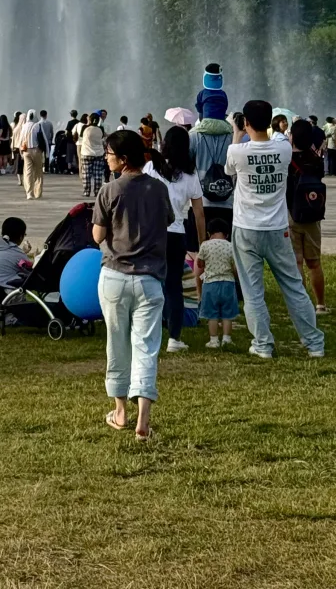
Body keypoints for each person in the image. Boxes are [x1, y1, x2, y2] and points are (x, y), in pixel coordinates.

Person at [93, 130, 174, 442]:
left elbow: (98, 237)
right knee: (146, 347)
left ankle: (119, 410)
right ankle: (143, 420)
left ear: (123, 159)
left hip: (114, 275)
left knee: (117, 343)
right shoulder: (158, 188)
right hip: (150, 279)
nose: (106, 158)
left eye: (109, 154)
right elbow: (165, 221)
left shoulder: (110, 190)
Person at [227, 100, 324, 360]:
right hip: (278, 227)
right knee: (293, 286)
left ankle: (263, 344)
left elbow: (229, 170)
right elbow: (284, 136)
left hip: (247, 227)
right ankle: (314, 342)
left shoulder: (237, 151)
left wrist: (237, 132)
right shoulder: (282, 148)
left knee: (253, 292)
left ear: (246, 123)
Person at [143, 125, 205, 353]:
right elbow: (198, 213)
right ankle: (174, 338)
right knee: (173, 287)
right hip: (176, 234)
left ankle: (148, 331)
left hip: (151, 234)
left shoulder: (151, 167)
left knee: (149, 282)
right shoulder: (190, 174)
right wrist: (200, 243)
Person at [287, 119, 329, 314]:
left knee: (296, 263)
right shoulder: (316, 160)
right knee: (314, 263)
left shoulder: (286, 159)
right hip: (313, 215)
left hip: (291, 214)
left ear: (292, 137)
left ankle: (300, 306)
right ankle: (320, 304)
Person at [190, 66, 235, 235]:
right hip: (228, 200)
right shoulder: (233, 136)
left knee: (200, 251)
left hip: (201, 202)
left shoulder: (193, 136)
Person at [193, 224, 238, 348]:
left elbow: (200, 263)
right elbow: (235, 267)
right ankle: (227, 338)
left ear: (209, 233)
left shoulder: (205, 245)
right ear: (227, 234)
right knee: (227, 313)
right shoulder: (230, 246)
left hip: (210, 283)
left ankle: (213, 340)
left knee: (212, 314)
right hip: (228, 282)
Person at [20, 111, 45, 199]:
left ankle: (29, 193)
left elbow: (21, 139)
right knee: (38, 172)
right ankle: (38, 193)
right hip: (36, 150)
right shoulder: (37, 125)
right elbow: (42, 139)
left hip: (26, 151)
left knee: (28, 172)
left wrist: (21, 151)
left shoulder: (24, 126)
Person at [79, 114, 105, 197]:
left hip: (86, 153)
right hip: (98, 153)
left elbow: (81, 135)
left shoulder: (84, 128)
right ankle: (97, 191)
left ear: (90, 120)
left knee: (86, 174)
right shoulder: (101, 128)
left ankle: (86, 192)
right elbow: (102, 137)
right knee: (98, 174)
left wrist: (88, 122)